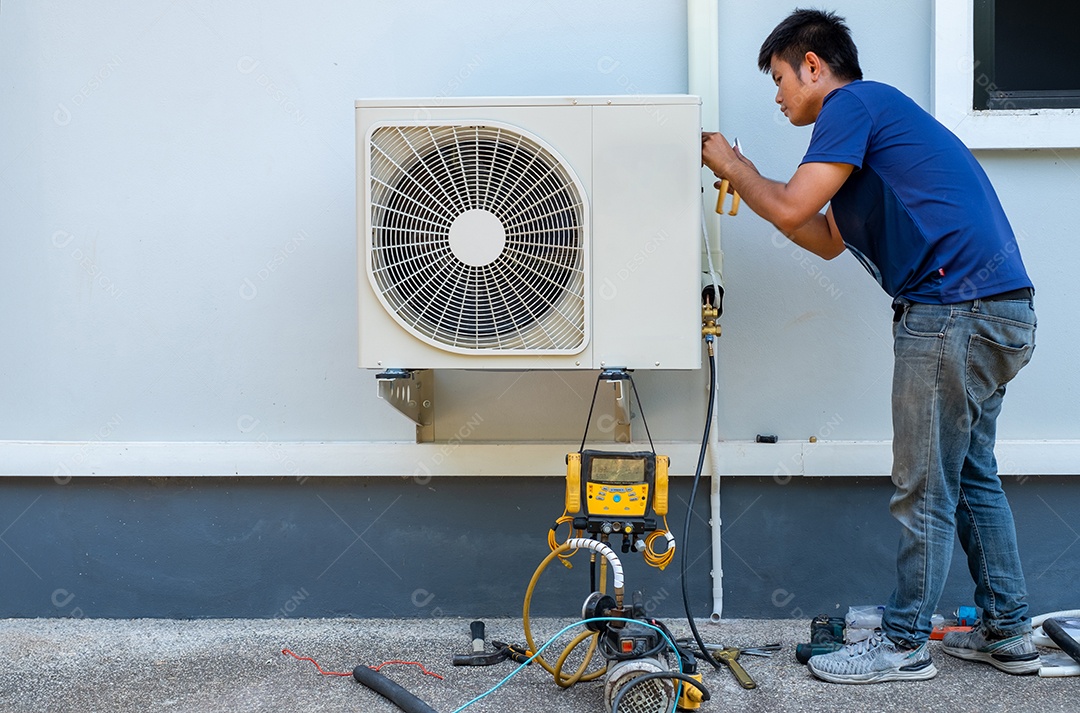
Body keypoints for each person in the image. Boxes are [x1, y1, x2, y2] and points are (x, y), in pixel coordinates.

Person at [702, 9, 1039, 684]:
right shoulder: (871, 129)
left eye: (779, 78)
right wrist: (747, 179)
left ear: (814, 67)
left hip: (952, 313)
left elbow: (794, 207)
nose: (776, 96)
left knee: (924, 484)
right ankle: (1010, 632)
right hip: (997, 311)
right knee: (971, 476)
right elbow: (822, 236)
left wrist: (734, 165)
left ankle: (903, 643)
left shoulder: (851, 104)